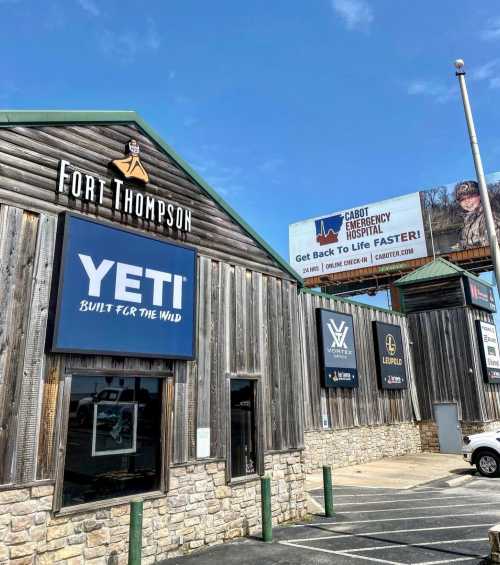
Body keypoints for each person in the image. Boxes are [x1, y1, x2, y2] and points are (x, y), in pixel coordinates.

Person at [455, 180, 500, 249]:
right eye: (462, 199)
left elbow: (493, 248)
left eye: (470, 196)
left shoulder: (490, 217)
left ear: (480, 195)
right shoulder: (466, 220)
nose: (467, 201)